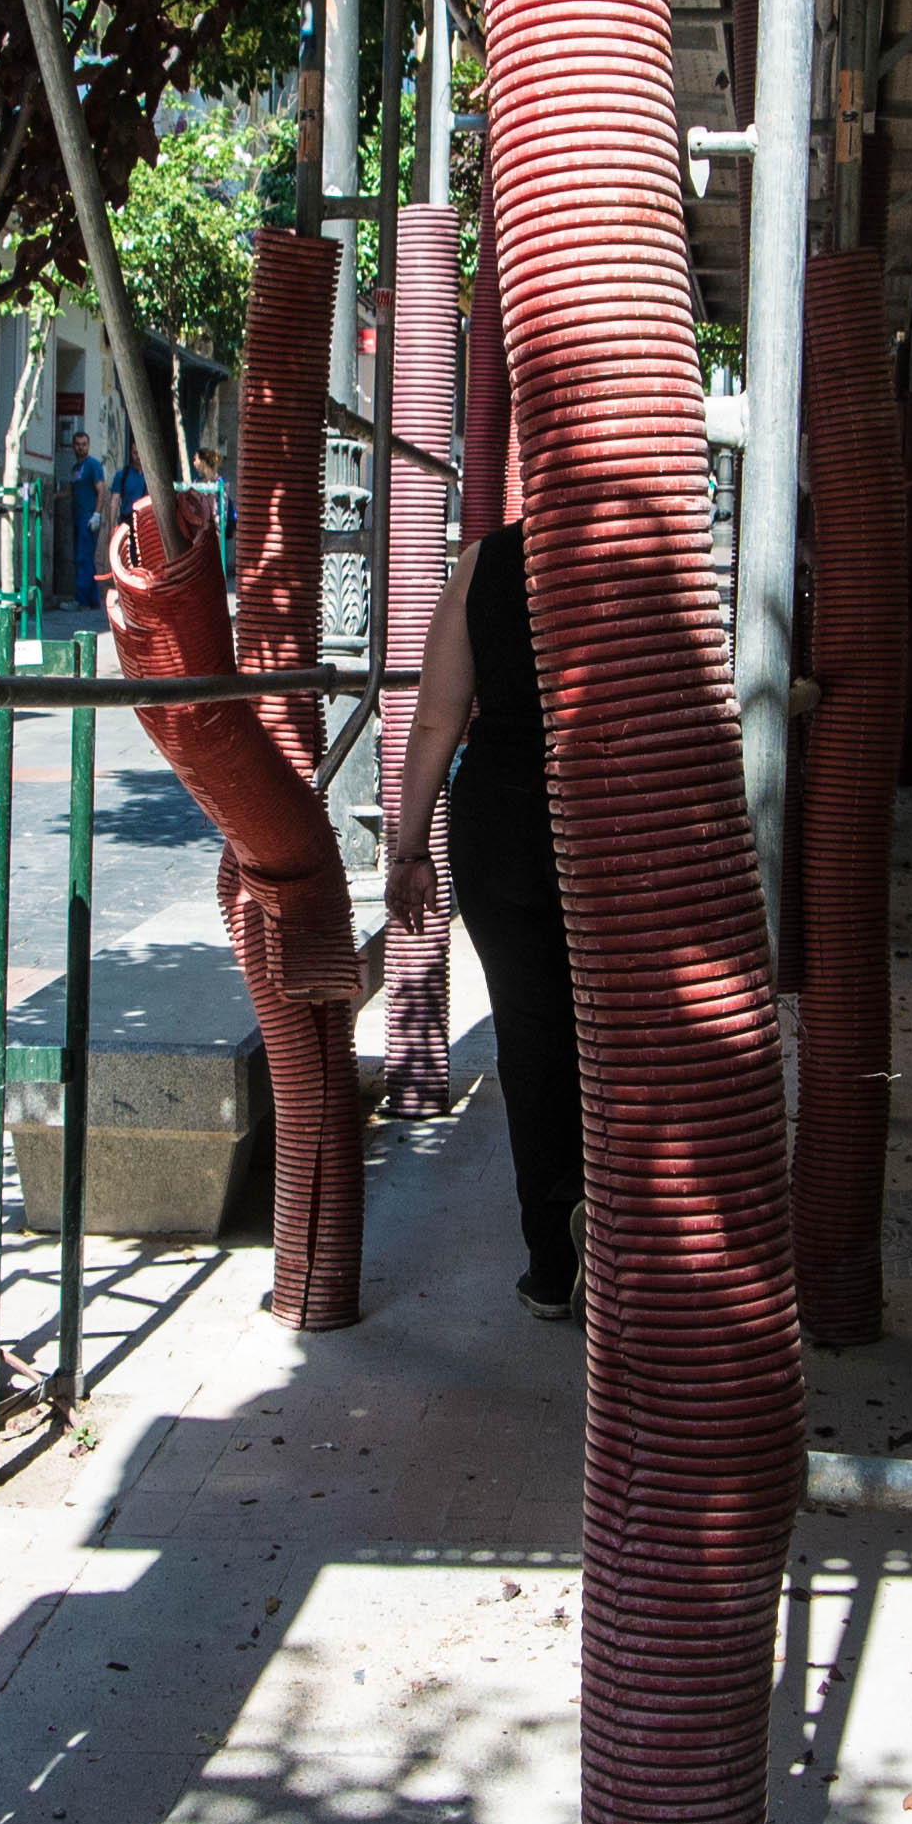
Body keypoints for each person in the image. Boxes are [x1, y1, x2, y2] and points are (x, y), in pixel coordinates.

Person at [386, 523, 580, 1320]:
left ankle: (554, 1258)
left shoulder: (485, 563)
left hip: (502, 818)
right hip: (615, 810)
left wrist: (409, 850)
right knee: (623, 1029)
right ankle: (627, 1230)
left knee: (531, 1038)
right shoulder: (648, 539)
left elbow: (437, 719)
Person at [64, 431, 107, 607]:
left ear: (88, 446)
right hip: (78, 517)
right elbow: (70, 491)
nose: (81, 448)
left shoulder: (93, 465)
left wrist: (97, 514)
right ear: (73, 446)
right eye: (78, 444)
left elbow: (101, 490)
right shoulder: (75, 468)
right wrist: (53, 496)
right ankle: (93, 600)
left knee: (84, 558)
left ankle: (81, 600)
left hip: (88, 519)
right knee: (84, 558)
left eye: (84, 444)